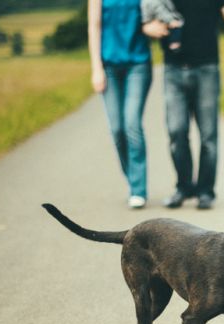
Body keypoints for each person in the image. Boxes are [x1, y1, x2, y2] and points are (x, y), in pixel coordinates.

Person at [143, 0, 224, 210]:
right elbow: (146, 17)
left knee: (208, 136)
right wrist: (148, 28)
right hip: (173, 70)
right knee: (176, 132)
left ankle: (205, 191)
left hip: (207, 69)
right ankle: (183, 188)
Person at [88, 0, 152, 209]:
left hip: (138, 64)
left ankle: (138, 189)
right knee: (116, 129)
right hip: (108, 66)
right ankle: (132, 179)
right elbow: (94, 25)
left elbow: (152, 17)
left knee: (132, 124)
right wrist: (96, 68)